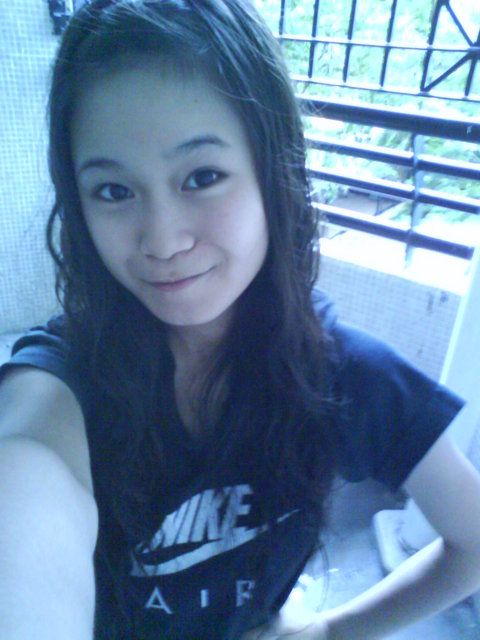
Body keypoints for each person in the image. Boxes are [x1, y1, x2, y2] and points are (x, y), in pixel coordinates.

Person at [0, 1, 479, 638]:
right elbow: (27, 491)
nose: (162, 240)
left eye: (202, 177)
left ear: (273, 175)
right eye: (114, 190)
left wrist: (332, 632)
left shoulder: (341, 373)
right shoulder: (58, 389)